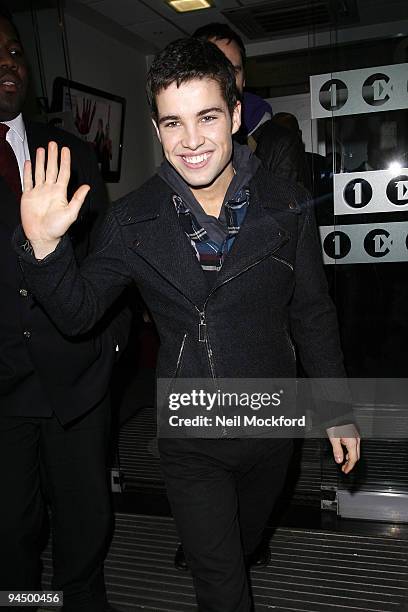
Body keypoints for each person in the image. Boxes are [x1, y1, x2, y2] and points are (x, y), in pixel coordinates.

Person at [16, 38, 360, 612]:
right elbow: (78, 313)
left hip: (272, 422)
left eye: (207, 117)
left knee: (245, 544)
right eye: (173, 123)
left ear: (235, 113)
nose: (191, 140)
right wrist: (45, 249)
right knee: (222, 587)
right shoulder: (132, 221)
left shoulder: (287, 202)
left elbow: (312, 313)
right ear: (156, 129)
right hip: (191, 433)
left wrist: (337, 409)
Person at [0, 7, 125, 612]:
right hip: (2, 390)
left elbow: (107, 262)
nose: (8, 65)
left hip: (75, 379)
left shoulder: (73, 152)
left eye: (16, 53)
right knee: (10, 536)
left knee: (83, 525)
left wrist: (108, 350)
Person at [193, 22, 308, 186]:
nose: (226, 81)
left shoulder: (278, 143)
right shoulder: (182, 141)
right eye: (213, 70)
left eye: (233, 71)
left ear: (244, 80)